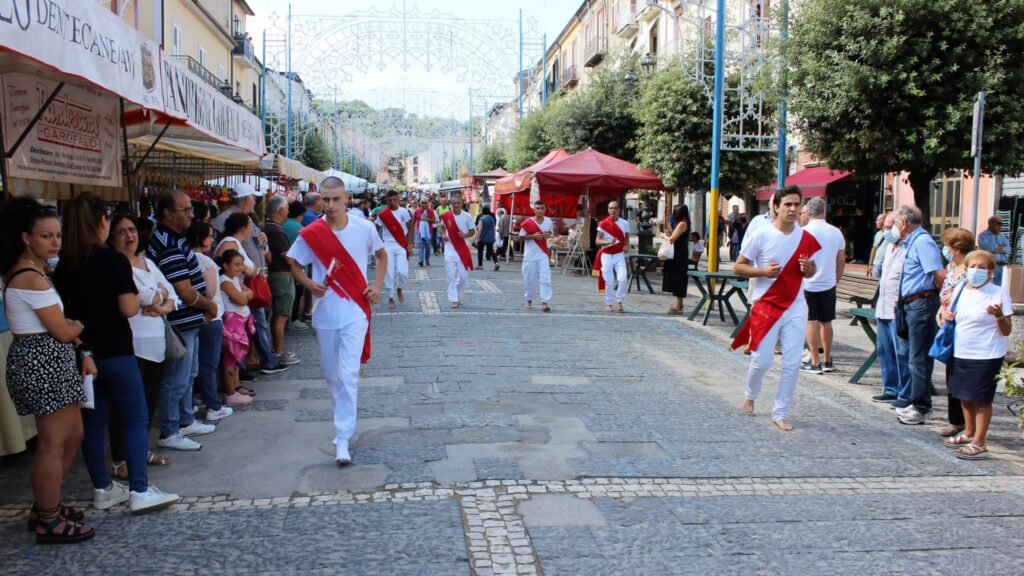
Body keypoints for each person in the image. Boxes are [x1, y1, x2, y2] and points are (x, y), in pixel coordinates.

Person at [53, 194, 179, 514]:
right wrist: (146, 301)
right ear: (103, 222)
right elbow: (128, 306)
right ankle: (139, 488)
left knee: (93, 424)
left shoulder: (64, 264)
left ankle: (103, 487)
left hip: (83, 352)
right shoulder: (112, 260)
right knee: (135, 418)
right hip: (116, 350)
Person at [2, 198, 94, 544]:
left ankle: (46, 504)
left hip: (49, 359)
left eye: (57, 235)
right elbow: (62, 330)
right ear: (26, 238)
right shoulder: (30, 278)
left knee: (72, 436)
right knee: (54, 442)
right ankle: (48, 518)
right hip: (42, 361)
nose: (55, 242)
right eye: (46, 236)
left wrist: (72, 330)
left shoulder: (35, 273)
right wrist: (79, 322)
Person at [287, 177, 386, 465]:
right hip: (326, 312)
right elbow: (293, 263)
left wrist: (377, 286)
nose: (330, 205)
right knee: (332, 376)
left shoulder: (364, 228)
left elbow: (381, 255)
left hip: (356, 310)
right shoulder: (312, 233)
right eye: (325, 200)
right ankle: (340, 423)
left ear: (346, 200)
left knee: (348, 374)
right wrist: (308, 282)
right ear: (319, 200)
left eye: (335, 200)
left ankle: (343, 437)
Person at [731, 186, 820, 432]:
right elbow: (739, 267)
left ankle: (780, 412)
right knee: (762, 361)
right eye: (788, 205)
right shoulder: (761, 234)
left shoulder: (806, 237)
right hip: (766, 304)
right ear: (776, 207)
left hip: (796, 305)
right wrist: (763, 272)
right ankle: (750, 394)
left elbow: (812, 271)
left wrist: (808, 269)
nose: (793, 209)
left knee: (791, 363)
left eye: (796, 205)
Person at [107, 214, 181, 480]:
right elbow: (144, 296)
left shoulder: (147, 262)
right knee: (126, 407)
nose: (129, 236)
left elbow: (172, 294)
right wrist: (159, 295)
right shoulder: (117, 265)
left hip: (156, 343)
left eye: (131, 230)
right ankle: (119, 458)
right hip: (133, 345)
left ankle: (141, 452)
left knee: (149, 404)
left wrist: (162, 303)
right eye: (121, 232)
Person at [148, 190, 220, 451]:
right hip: (181, 320)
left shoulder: (175, 240)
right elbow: (184, 290)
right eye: (186, 210)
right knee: (176, 377)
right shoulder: (168, 245)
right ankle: (170, 429)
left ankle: (185, 419)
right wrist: (209, 304)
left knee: (189, 373)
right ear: (168, 213)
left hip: (190, 320)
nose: (192, 214)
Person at [940, 250, 1011, 460]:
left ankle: (980, 442)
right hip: (961, 350)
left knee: (981, 398)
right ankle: (969, 432)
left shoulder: (998, 293)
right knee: (963, 395)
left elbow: (1007, 330)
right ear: (967, 268)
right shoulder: (961, 289)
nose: (977, 271)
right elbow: (948, 314)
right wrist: (947, 315)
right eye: (973, 266)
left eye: (982, 267)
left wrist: (998, 316)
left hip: (987, 353)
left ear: (990, 271)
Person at [212, 184, 285, 377]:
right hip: (238, 286)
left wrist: (263, 241)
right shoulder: (228, 227)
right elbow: (222, 258)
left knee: (250, 324)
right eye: (253, 198)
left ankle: (246, 366)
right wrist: (243, 272)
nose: (255, 201)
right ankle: (256, 364)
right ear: (246, 199)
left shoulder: (249, 220)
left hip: (245, 284)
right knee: (250, 325)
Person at [892, 204, 946, 425]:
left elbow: (939, 274)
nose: (894, 227)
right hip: (910, 305)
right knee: (913, 357)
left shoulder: (922, 242)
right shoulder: (911, 242)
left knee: (919, 358)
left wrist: (940, 300)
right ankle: (916, 401)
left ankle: (922, 407)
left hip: (922, 305)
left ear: (904, 223)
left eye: (895, 222)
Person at [186, 221, 236, 418]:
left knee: (195, 367)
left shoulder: (188, 257)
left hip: (196, 316)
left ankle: (191, 404)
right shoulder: (204, 261)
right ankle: (213, 406)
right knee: (208, 364)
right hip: (210, 316)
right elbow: (210, 291)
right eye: (209, 236)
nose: (212, 239)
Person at [934, 228, 975, 437]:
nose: (945, 249)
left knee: (962, 375)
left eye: (947, 245)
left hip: (964, 327)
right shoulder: (952, 267)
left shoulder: (971, 268)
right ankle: (955, 420)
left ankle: (967, 424)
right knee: (951, 374)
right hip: (949, 326)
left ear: (956, 247)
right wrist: (941, 310)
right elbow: (946, 294)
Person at [800, 197, 846, 374]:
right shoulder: (836, 232)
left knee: (811, 321)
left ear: (808, 213)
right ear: (824, 212)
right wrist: (835, 279)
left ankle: (815, 360)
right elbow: (841, 261)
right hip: (828, 283)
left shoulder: (803, 232)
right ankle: (827, 359)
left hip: (808, 284)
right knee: (827, 321)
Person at [872, 211, 911, 404]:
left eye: (890, 226)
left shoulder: (909, 247)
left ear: (901, 225)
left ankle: (905, 393)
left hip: (898, 309)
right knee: (884, 351)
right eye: (885, 227)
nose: (887, 230)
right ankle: (890, 387)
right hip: (883, 306)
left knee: (902, 353)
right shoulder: (889, 247)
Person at [264, 195, 300, 365]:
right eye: (286, 208)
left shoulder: (269, 228)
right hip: (281, 276)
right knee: (281, 315)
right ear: (280, 210)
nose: (288, 211)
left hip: (275, 274)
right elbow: (289, 259)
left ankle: (278, 349)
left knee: (278, 314)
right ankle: (278, 351)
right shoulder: (276, 231)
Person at [219, 250, 255, 406]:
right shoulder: (225, 281)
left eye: (241, 264)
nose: (240, 268)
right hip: (231, 323)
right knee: (229, 358)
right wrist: (245, 295)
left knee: (235, 358)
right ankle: (230, 393)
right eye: (236, 264)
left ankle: (235, 385)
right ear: (225, 265)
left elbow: (250, 293)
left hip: (240, 321)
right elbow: (242, 299)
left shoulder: (234, 279)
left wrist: (246, 294)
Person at [376, 191, 414, 309]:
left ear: (398, 199)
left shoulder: (404, 212)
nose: (391, 202)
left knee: (402, 272)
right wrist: (377, 245)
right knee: (389, 272)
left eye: (393, 199)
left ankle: (399, 288)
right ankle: (391, 297)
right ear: (386, 200)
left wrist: (409, 244)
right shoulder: (383, 214)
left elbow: (410, 228)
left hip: (401, 244)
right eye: (389, 200)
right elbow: (375, 229)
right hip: (388, 244)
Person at [440, 195, 476, 308]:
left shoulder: (467, 216)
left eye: (457, 203)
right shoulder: (446, 216)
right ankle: (453, 298)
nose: (455, 205)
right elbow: (441, 227)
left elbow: (472, 231)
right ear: (451, 204)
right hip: (449, 250)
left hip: (462, 249)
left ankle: (458, 295)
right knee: (451, 276)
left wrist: (464, 235)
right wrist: (443, 234)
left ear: (461, 204)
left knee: (463, 276)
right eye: (453, 203)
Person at [594, 201, 630, 313]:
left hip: (619, 255)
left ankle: (619, 302)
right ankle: (609, 303)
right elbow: (597, 241)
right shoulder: (603, 224)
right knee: (608, 281)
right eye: (610, 208)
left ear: (619, 209)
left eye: (615, 208)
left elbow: (627, 237)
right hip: (606, 255)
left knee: (622, 278)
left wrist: (627, 246)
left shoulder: (624, 223)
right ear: (608, 210)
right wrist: (609, 241)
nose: (612, 210)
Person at [520, 200, 553, 312]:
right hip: (530, 255)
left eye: (542, 208)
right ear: (534, 209)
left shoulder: (548, 221)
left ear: (545, 209)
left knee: (545, 278)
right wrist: (533, 236)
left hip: (543, 254)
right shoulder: (528, 223)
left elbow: (550, 233)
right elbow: (521, 237)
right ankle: (528, 300)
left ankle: (545, 302)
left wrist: (548, 235)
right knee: (529, 279)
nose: (540, 210)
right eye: (538, 208)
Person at [661, 204, 690, 314]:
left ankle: (679, 306)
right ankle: (679, 304)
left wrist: (663, 235)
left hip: (679, 254)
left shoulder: (683, 223)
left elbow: (672, 239)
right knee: (675, 277)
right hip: (677, 253)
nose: (674, 214)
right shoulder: (680, 223)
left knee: (679, 278)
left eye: (676, 212)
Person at [977, 216, 1010, 285]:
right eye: (999, 223)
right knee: (989, 285)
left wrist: (996, 248)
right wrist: (1000, 247)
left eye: (1001, 224)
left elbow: (1008, 249)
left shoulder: (1001, 236)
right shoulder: (983, 235)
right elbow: (989, 248)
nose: (1000, 226)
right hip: (990, 266)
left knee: (1001, 286)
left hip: (1002, 266)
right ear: (990, 223)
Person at [413, 198, 437, 267]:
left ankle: (427, 260)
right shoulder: (417, 211)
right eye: (422, 202)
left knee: (427, 247)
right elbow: (414, 220)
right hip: (420, 232)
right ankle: (421, 260)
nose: (423, 204)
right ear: (420, 203)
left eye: (425, 203)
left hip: (428, 232)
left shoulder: (430, 211)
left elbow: (433, 220)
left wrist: (426, 219)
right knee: (421, 246)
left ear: (427, 204)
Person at [476, 205, 498, 270]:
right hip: (490, 237)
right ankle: (496, 262)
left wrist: (476, 238)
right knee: (491, 251)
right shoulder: (492, 218)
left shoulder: (481, 219)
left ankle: (480, 265)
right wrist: (493, 236)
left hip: (482, 237)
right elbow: (493, 228)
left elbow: (480, 229)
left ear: (482, 211)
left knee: (480, 251)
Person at [868, 213, 889, 277]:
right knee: (874, 285)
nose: (876, 222)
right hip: (876, 265)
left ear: (883, 221)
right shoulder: (878, 234)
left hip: (886, 265)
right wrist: (870, 264)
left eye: (878, 220)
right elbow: (874, 249)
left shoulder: (891, 234)